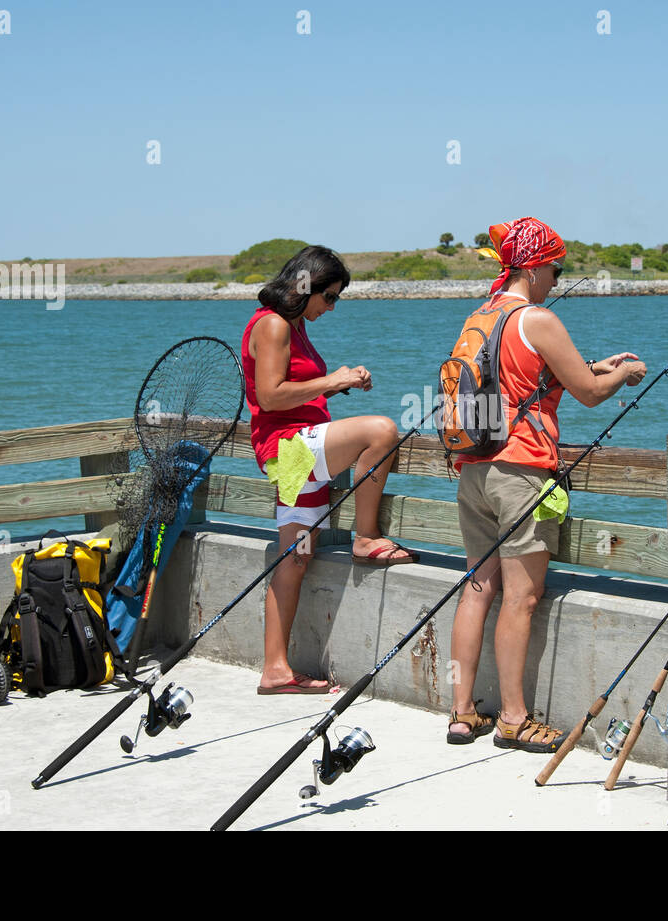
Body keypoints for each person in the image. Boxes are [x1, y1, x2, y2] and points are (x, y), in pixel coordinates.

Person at [446, 218, 646, 750]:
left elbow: (519, 379)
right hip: (520, 471)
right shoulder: (539, 318)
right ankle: (513, 717)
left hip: (475, 469)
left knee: (477, 586)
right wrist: (622, 374)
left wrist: (592, 366)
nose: (557, 279)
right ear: (534, 267)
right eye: (555, 269)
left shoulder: (480, 315)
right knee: (522, 598)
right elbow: (587, 393)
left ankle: (463, 712)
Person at [241, 245, 417, 695]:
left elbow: (294, 393)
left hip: (297, 459)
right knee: (381, 430)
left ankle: (276, 670)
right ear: (307, 286)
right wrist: (334, 379)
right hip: (289, 451)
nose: (332, 306)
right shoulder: (274, 324)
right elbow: (269, 397)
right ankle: (365, 537)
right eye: (331, 296)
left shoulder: (294, 326)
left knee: (296, 557)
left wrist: (332, 390)